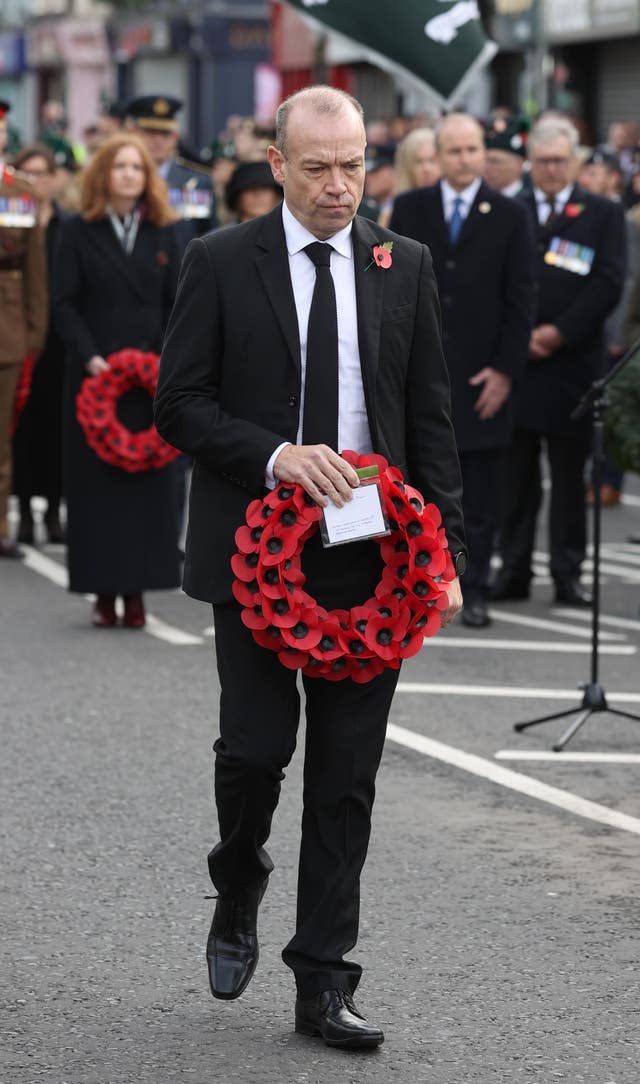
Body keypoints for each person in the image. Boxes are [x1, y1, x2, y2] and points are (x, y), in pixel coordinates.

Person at [154, 86, 465, 1049]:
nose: (340, 186)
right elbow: (179, 404)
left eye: (356, 164)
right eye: (319, 167)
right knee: (254, 751)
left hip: (372, 559)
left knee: (346, 774)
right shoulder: (217, 260)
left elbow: (429, 419)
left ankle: (324, 979)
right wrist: (275, 454)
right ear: (277, 165)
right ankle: (238, 877)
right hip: (254, 554)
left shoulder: (401, 262)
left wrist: (446, 549)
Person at [390, 112, 535, 628]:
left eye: (472, 150)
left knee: (480, 491)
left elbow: (522, 299)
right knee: (422, 483)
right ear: (439, 154)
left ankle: (472, 588)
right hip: (421, 372)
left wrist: (505, 371)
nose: (463, 160)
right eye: (453, 151)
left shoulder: (512, 215)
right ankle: (420, 581)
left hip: (481, 377)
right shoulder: (410, 207)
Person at [491, 117, 626, 606]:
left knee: (571, 481)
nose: (551, 169)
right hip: (520, 368)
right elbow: (496, 278)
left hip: (572, 368)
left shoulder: (602, 213)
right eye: (543, 161)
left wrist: (557, 333)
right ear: (532, 164)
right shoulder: (511, 209)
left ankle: (568, 572)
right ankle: (514, 568)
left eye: (559, 161)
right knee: (516, 479)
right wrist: (519, 335)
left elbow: (608, 283)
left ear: (574, 162)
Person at [53, 133, 181, 627]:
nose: (128, 174)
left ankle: (138, 592)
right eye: (119, 166)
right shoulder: (77, 230)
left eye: (136, 167)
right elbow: (63, 302)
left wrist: (164, 358)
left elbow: (178, 303)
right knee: (97, 491)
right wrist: (90, 358)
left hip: (150, 377)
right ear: (103, 174)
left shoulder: (165, 232)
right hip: (95, 377)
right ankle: (102, 592)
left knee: (148, 490)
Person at [12, 144, 68, 544]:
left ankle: (52, 510)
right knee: (23, 428)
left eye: (43, 173)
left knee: (56, 429)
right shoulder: (12, 218)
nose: (37, 182)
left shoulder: (71, 224)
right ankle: (27, 511)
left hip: (63, 342)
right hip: (24, 333)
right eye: (28, 174)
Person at [0, 115, 48, 558]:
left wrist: (35, 330)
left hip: (7, 325)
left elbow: (34, 267)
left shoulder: (19, 191)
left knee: (1, 437)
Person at [127, 95, 216, 254]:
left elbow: (209, 235)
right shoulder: (125, 179)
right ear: (135, 134)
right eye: (150, 133)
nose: (158, 140)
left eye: (165, 134)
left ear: (175, 138)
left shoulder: (197, 183)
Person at [377, 126, 440, 228]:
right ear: (406, 166)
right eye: (418, 161)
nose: (426, 169)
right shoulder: (392, 211)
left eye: (432, 160)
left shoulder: (450, 207)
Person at [483, 115, 530, 198]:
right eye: (485, 161)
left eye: (495, 162)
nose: (487, 167)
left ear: (518, 164)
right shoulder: (479, 198)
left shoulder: (531, 200)